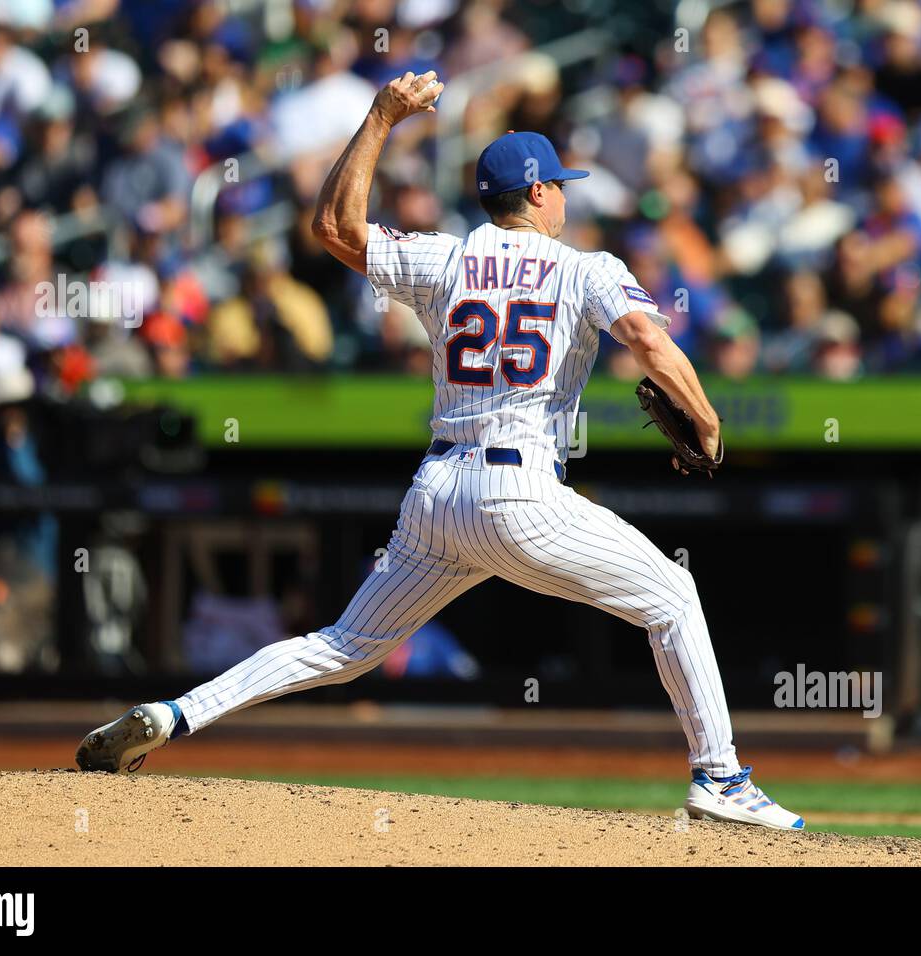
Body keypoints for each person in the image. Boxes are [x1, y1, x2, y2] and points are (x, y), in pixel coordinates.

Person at [76, 71, 804, 831]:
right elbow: (650, 340)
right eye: (559, 185)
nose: (565, 196)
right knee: (674, 599)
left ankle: (174, 712)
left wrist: (382, 115)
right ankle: (719, 778)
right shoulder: (587, 268)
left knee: (342, 645)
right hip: (520, 492)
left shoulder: (444, 259)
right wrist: (708, 418)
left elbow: (333, 228)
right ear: (539, 195)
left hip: (436, 494)